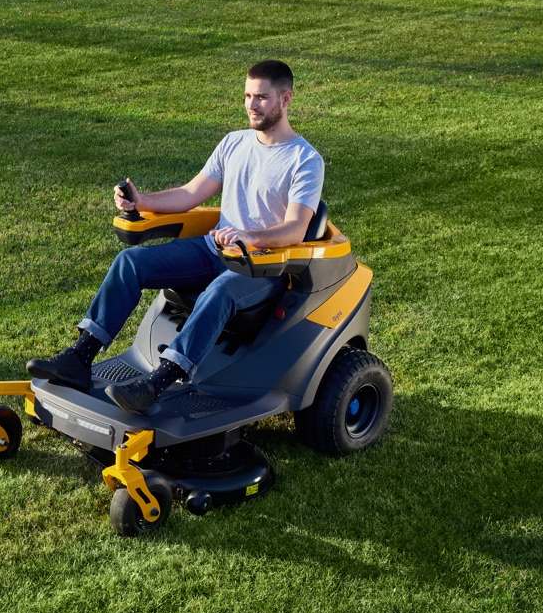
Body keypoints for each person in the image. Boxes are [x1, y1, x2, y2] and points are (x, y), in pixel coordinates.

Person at [27, 59, 324, 413]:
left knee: (220, 291)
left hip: (260, 266)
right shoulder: (234, 143)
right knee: (130, 262)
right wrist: (142, 201)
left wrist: (248, 237)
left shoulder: (304, 160)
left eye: (261, 97)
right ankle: (80, 356)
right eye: (246, 96)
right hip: (212, 250)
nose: (250, 105)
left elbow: (296, 228)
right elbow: (191, 193)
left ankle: (158, 382)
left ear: (286, 98)